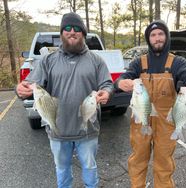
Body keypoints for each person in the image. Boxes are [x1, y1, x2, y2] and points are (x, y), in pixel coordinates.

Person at [16, 12, 113, 188]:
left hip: (87, 129)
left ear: (83, 33)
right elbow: (29, 84)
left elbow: (107, 84)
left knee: (90, 168)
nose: (72, 32)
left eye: (77, 28)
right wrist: (20, 89)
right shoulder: (48, 60)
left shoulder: (96, 60)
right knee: (62, 169)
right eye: (67, 28)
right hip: (58, 130)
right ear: (61, 33)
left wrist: (106, 92)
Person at [114, 20, 186, 188]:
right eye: (153, 35)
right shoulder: (138, 63)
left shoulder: (177, 62)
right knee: (138, 161)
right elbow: (121, 79)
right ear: (149, 39)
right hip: (141, 119)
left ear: (166, 37)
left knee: (164, 164)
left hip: (167, 123)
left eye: (161, 34)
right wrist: (120, 83)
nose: (157, 38)